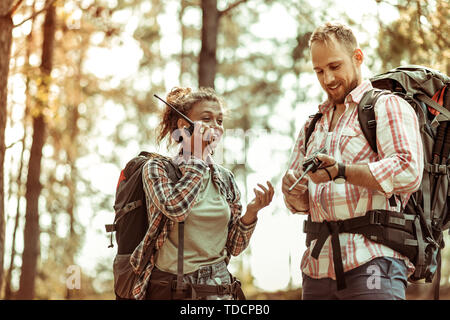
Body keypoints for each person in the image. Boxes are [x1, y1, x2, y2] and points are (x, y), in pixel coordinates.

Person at [282, 22, 423, 300]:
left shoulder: (386, 106)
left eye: (335, 67)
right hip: (316, 269)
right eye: (319, 71)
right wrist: (293, 190)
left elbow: (409, 170)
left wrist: (342, 172)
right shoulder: (313, 125)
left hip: (373, 262)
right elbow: (299, 204)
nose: (328, 78)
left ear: (357, 57)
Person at [130, 87, 274, 300]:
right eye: (207, 118)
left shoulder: (225, 179)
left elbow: (234, 247)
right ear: (183, 126)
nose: (216, 126)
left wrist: (252, 213)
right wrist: (196, 157)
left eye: (220, 121)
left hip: (219, 287)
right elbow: (176, 209)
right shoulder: (157, 169)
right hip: (174, 287)